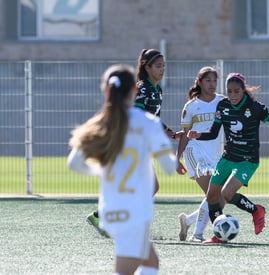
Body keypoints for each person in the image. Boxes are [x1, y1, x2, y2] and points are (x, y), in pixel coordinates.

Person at [187, 72, 269, 244]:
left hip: (247, 160)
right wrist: (198, 135)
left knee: (227, 194)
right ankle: (219, 234)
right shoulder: (222, 105)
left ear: (244, 90)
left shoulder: (255, 107)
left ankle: (256, 210)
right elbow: (213, 133)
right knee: (212, 196)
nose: (233, 95)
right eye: (229, 91)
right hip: (228, 157)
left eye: (237, 91)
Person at [67, 64, 177, 275]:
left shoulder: (100, 123)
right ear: (134, 90)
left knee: (150, 263)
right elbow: (169, 167)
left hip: (111, 209)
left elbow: (74, 163)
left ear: (105, 90)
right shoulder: (148, 123)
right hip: (135, 210)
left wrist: (102, 171)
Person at [86, 49, 181, 236]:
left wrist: (170, 133)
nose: (162, 69)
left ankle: (105, 216)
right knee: (145, 187)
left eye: (164, 65)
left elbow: (152, 118)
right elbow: (135, 117)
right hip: (132, 145)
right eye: (158, 66)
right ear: (147, 67)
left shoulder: (157, 90)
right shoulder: (142, 88)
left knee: (147, 187)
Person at [175, 66, 225, 242]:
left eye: (214, 81)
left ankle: (188, 221)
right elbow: (184, 135)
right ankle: (197, 235)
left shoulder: (223, 101)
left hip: (216, 154)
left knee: (218, 198)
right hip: (195, 153)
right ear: (199, 83)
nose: (212, 84)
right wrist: (177, 159)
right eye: (208, 81)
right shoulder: (191, 106)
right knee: (213, 196)